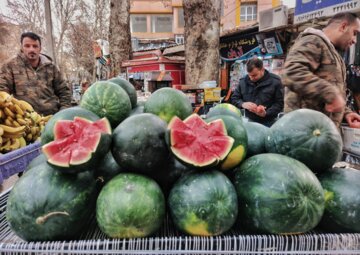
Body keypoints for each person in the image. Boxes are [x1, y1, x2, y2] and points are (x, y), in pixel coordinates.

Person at [282, 12, 360, 128]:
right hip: (303, 133)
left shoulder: (334, 53)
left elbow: (330, 96)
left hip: (322, 133)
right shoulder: (313, 40)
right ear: (343, 27)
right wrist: (331, 95)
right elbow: (291, 72)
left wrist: (346, 113)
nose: (355, 40)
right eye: (354, 33)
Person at [0, 32, 71, 115]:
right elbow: (2, 92)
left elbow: (64, 91)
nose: (31, 49)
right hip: (23, 119)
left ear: (40, 48)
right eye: (27, 46)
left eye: (35, 46)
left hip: (51, 117)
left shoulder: (51, 67)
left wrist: (63, 112)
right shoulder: (10, 66)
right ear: (21, 48)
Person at [230, 58, 284, 127]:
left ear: (262, 70)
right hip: (248, 121)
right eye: (249, 75)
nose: (251, 78)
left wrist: (266, 113)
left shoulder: (275, 81)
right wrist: (243, 104)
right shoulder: (243, 81)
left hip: (270, 122)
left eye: (254, 75)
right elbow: (234, 98)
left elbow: (280, 103)